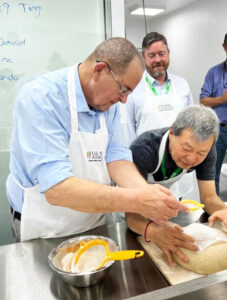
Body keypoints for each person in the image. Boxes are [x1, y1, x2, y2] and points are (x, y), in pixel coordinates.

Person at [6, 37, 188, 242]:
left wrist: (147, 192)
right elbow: (57, 190)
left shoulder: (108, 105)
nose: (124, 99)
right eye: (123, 89)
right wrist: (138, 200)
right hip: (45, 225)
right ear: (99, 70)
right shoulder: (42, 98)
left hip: (92, 220)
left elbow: (117, 158)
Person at [126, 105, 227, 266]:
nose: (192, 159)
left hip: (162, 205)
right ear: (172, 132)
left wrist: (223, 211)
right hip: (132, 209)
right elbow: (132, 214)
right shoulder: (143, 150)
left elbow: (209, 197)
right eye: (186, 149)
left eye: (201, 153)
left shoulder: (207, 151)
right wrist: (153, 231)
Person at [125, 32, 194, 145]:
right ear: (143, 57)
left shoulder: (182, 84)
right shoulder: (133, 88)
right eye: (152, 55)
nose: (157, 60)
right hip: (145, 158)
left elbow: (191, 124)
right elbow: (128, 132)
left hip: (179, 157)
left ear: (168, 53)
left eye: (161, 54)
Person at [200, 33, 227, 196]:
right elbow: (202, 100)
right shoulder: (214, 72)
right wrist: (221, 99)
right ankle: (214, 211)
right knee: (213, 174)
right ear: (224, 47)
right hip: (219, 130)